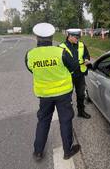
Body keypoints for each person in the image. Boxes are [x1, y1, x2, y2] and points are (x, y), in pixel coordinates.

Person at [25, 23, 80, 161]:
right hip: (63, 94)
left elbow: (32, 70)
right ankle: (68, 151)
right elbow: (74, 67)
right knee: (65, 121)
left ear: (36, 37)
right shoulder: (60, 52)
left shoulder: (30, 55)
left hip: (44, 95)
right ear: (52, 36)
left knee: (43, 121)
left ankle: (38, 152)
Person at [59, 28, 91, 119]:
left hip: (80, 74)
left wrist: (86, 59)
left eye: (78, 37)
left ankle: (81, 111)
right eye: (76, 37)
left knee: (81, 95)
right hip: (68, 76)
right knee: (67, 96)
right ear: (69, 36)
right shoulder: (61, 47)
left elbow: (86, 55)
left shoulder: (81, 45)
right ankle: (67, 114)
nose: (78, 39)